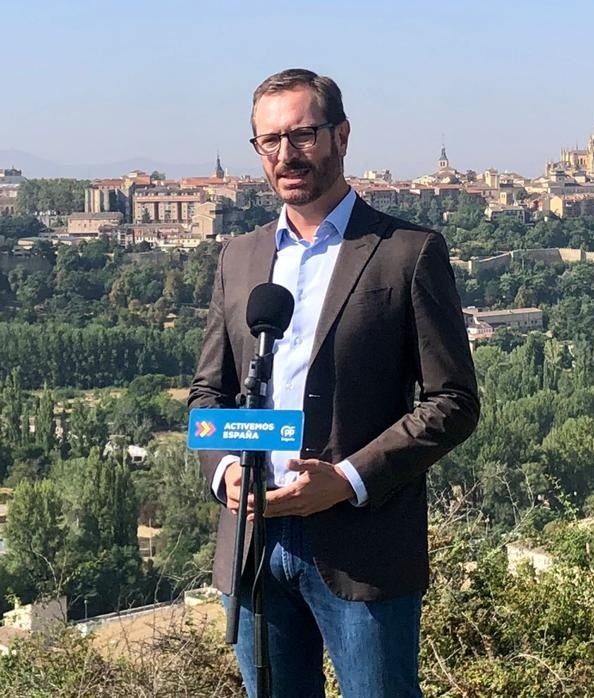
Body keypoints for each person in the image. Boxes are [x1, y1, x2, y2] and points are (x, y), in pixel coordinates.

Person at [188, 68, 479, 698]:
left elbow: (453, 402)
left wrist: (345, 482)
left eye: (302, 135)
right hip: (253, 543)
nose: (286, 156)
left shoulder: (407, 252)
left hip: (363, 547)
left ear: (341, 136)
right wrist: (224, 472)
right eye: (269, 141)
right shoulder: (237, 258)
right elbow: (208, 394)